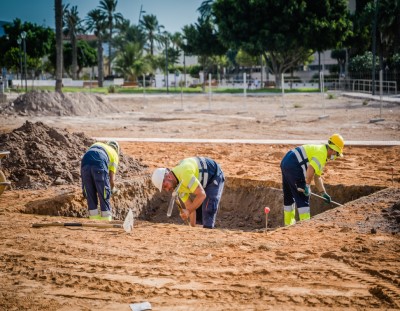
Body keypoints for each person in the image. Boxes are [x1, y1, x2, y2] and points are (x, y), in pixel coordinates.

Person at [280, 134, 345, 226]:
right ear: (334, 149)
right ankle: (305, 225)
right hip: (294, 165)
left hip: (286, 161)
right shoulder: (322, 154)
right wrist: (306, 185)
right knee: (303, 196)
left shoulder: (321, 150)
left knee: (289, 195)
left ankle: (288, 224)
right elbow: (310, 168)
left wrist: (323, 192)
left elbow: (317, 177)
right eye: (337, 153)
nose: (336, 156)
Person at [151, 157, 225, 229]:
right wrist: (192, 227)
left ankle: (208, 231)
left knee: (208, 208)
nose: (167, 190)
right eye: (164, 189)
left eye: (165, 186)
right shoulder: (177, 187)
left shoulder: (185, 174)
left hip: (214, 175)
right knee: (197, 211)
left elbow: (202, 195)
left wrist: (188, 211)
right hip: (203, 180)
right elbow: (189, 206)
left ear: (169, 177)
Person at [81, 140, 120, 221]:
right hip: (99, 162)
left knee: (90, 192)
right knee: (104, 193)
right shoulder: (114, 154)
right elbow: (111, 180)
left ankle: (93, 220)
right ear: (117, 149)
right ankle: (106, 220)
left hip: (85, 162)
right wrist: (112, 189)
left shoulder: (97, 144)